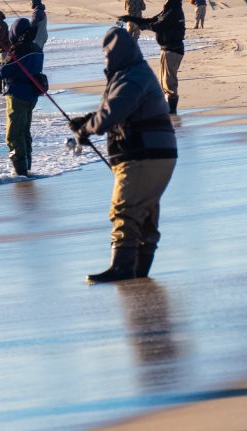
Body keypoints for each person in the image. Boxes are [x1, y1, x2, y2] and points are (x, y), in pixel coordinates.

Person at [67, 27, 177, 283]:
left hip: (144, 154)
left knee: (124, 209)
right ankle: (139, 271)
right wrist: (88, 121)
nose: (105, 59)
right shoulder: (133, 74)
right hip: (156, 153)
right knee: (145, 212)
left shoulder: (131, 77)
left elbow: (112, 113)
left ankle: (123, 269)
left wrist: (87, 128)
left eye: (106, 53)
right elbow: (115, 111)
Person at [0, 18, 44, 176]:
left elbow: (5, 70)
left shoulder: (19, 50)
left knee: (13, 134)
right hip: (32, 95)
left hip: (18, 94)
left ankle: (20, 170)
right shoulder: (37, 48)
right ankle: (26, 166)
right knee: (25, 130)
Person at [120, 0, 186, 114]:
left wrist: (144, 26)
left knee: (169, 81)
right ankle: (169, 108)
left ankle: (172, 110)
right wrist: (130, 18)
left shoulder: (174, 12)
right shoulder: (168, 11)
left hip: (172, 50)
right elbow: (151, 20)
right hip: (167, 50)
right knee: (164, 80)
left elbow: (157, 26)